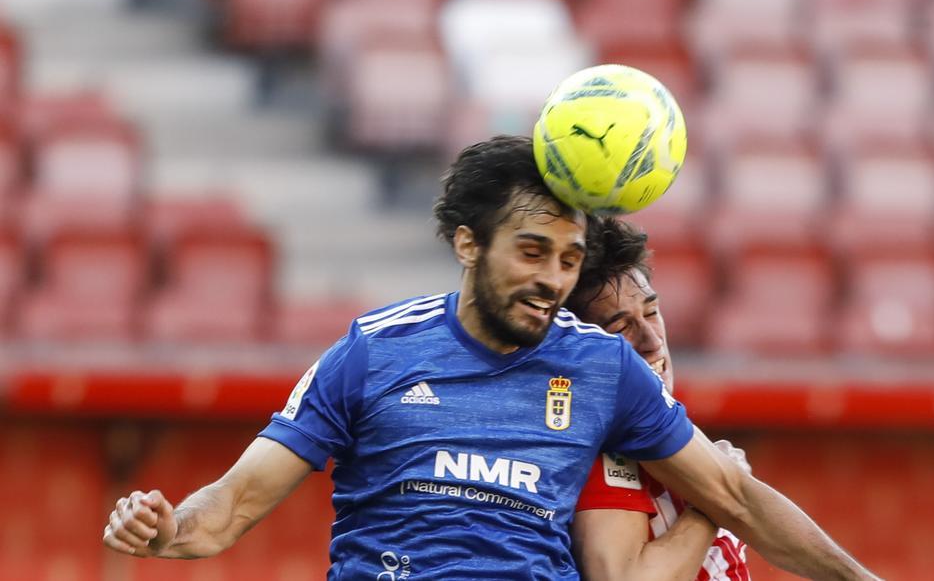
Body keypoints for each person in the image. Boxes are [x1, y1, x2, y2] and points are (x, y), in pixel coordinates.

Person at [102, 136, 879, 580]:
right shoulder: (374, 350)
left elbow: (736, 498)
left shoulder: (603, 369)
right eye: (533, 251)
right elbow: (228, 509)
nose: (553, 279)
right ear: (467, 243)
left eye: (570, 258)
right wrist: (166, 527)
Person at [568, 217, 754, 581]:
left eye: (652, 312)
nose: (653, 340)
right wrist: (712, 502)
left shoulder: (666, 433)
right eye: (621, 328)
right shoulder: (604, 444)